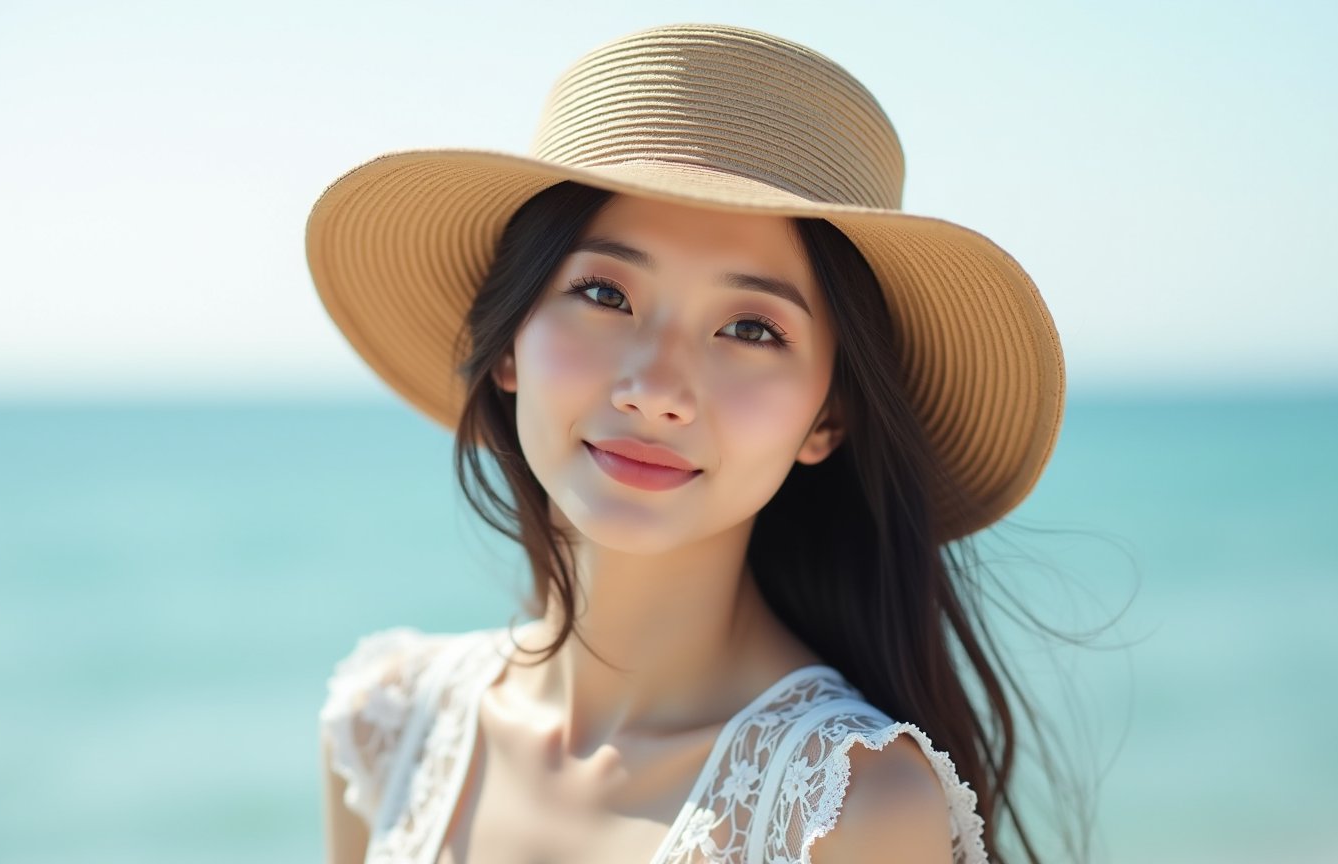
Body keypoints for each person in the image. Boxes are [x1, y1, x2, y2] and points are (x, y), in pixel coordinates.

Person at [309, 23, 1070, 864]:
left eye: (750, 328)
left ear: (827, 419)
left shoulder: (849, 812)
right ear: (509, 344)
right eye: (603, 291)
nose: (657, 389)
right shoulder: (387, 725)